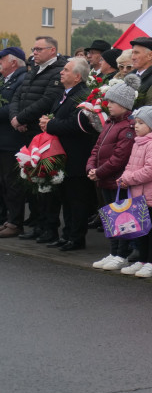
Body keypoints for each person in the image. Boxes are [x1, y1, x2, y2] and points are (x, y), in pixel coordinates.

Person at [38, 57, 97, 252]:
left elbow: (78, 124)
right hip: (63, 155)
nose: (61, 72)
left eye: (66, 70)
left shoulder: (83, 96)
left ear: (78, 76)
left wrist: (51, 124)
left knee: (77, 200)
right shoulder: (64, 93)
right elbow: (59, 116)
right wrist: (48, 120)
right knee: (66, 199)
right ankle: (67, 234)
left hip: (77, 156)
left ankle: (77, 238)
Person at [86, 75, 140, 271]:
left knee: (122, 217)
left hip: (116, 180)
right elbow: (97, 148)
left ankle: (122, 254)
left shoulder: (127, 127)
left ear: (125, 105)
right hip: (103, 178)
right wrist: (91, 168)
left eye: (113, 102)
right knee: (110, 216)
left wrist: (99, 172)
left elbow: (120, 157)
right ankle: (114, 251)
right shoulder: (109, 123)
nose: (108, 105)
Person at [115, 106, 152, 279]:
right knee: (141, 230)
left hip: (151, 196)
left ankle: (151, 263)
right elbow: (130, 165)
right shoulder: (139, 142)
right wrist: (123, 178)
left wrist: (129, 178)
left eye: (140, 123)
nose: (135, 126)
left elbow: (151, 170)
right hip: (138, 195)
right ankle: (143, 259)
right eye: (135, 123)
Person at [0, 47, 29, 238]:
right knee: (3, 183)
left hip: (12, 140)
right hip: (4, 139)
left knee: (13, 184)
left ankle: (15, 221)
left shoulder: (22, 80)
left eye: (1, 60)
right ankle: (5, 219)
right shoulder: (6, 80)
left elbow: (15, 107)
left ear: (13, 62)